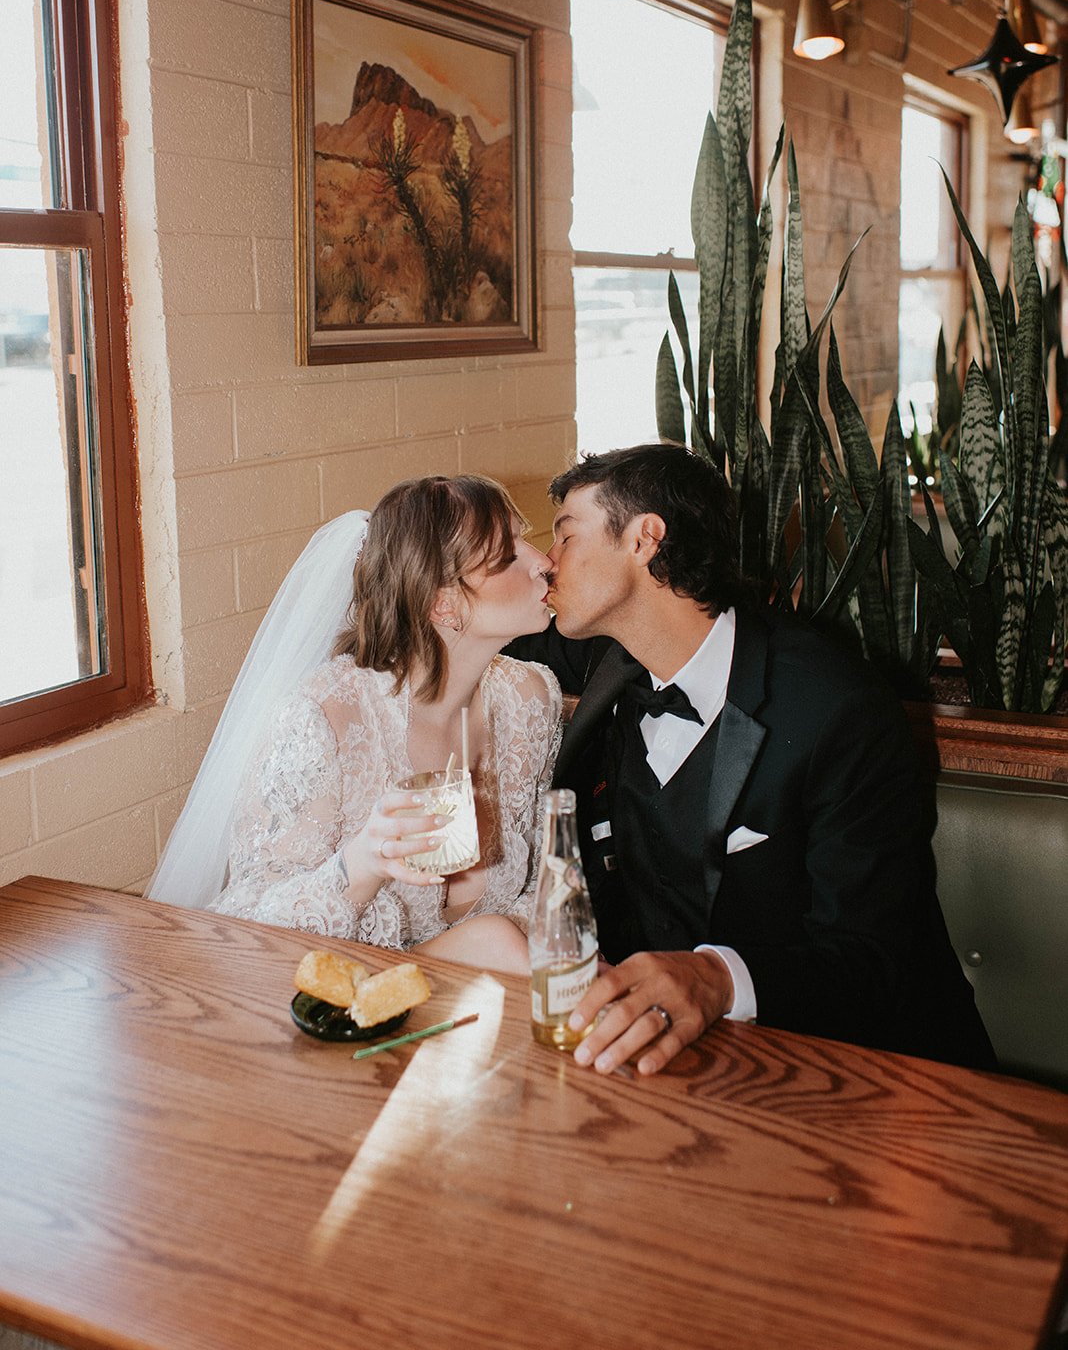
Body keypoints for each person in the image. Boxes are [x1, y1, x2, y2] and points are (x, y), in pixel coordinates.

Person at [509, 443, 995, 1075]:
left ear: (645, 540)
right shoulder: (608, 658)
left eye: (566, 536)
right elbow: (462, 627)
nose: (548, 563)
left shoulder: (838, 708)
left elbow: (873, 958)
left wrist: (716, 979)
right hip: (666, 1066)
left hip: (874, 1077)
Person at [148, 476, 560, 974]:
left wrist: (514, 950)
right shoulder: (325, 718)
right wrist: (363, 861)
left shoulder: (529, 699)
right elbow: (249, 928)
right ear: (443, 603)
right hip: (338, 993)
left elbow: (541, 884)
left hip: (478, 991)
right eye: (508, 555)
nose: (543, 561)